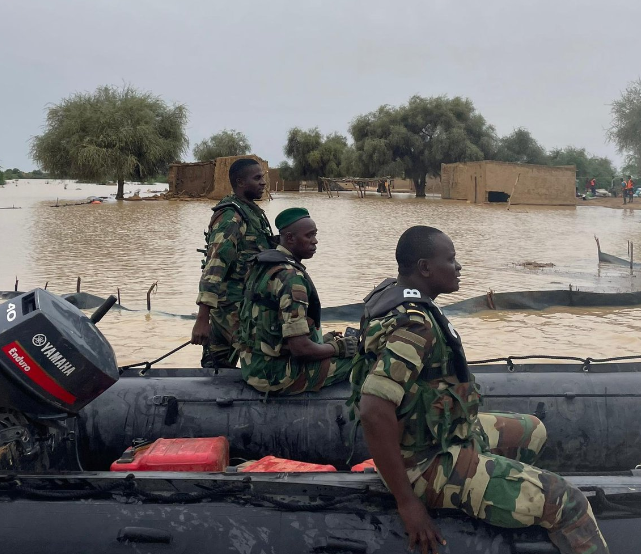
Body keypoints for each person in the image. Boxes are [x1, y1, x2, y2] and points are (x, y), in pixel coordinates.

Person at [350, 226, 608, 554]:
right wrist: (407, 503)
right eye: (451, 259)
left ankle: (497, 495)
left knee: (532, 431)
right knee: (569, 501)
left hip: (436, 436)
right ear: (425, 268)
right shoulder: (415, 327)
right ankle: (493, 491)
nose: (459, 267)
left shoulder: (396, 300)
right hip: (422, 463)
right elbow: (373, 410)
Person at [239, 207, 356, 394]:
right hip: (276, 376)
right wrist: (337, 348)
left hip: (252, 366)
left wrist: (321, 343)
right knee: (361, 361)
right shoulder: (292, 279)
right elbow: (300, 349)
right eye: (309, 236)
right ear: (290, 238)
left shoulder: (261, 266)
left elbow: (270, 328)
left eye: (315, 235)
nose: (315, 241)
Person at [191, 158, 275, 368]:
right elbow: (214, 266)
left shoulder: (252, 213)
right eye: (257, 178)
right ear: (240, 182)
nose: (263, 182)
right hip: (232, 308)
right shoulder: (231, 217)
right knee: (260, 361)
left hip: (242, 304)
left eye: (262, 177)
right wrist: (202, 319)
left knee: (217, 365)